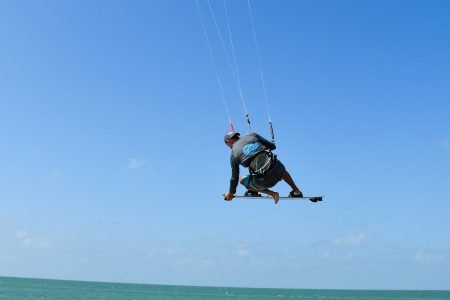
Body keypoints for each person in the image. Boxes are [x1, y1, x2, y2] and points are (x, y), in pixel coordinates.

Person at [223, 131, 303, 204]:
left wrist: (231, 193)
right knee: (276, 163)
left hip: (264, 182)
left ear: (229, 142)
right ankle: (296, 191)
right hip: (279, 172)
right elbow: (273, 147)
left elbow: (234, 178)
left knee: (241, 179)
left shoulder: (233, 155)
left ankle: (272, 193)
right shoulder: (252, 135)